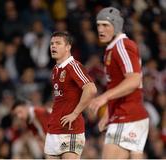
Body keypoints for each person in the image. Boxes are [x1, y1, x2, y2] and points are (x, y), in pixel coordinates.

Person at [89, 7, 149, 159]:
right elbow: (119, 86)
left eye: (105, 25)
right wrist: (107, 114)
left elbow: (134, 79)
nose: (100, 29)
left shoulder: (122, 45)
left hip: (126, 115)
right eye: (98, 25)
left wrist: (105, 97)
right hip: (129, 115)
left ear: (116, 26)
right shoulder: (112, 48)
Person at [44, 31, 97, 159]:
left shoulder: (73, 66)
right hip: (54, 129)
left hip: (71, 130)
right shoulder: (56, 70)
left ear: (68, 47)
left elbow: (91, 89)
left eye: (58, 43)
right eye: (52, 44)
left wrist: (75, 113)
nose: (53, 46)